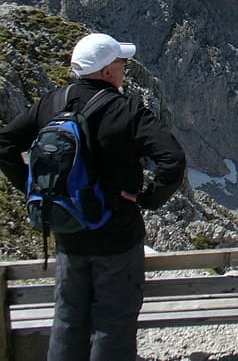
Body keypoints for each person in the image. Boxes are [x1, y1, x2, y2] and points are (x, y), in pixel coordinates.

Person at [0, 32, 187, 360]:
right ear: (106, 71)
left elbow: (4, 144)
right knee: (113, 322)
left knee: (68, 317)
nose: (124, 68)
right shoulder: (127, 110)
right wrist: (147, 199)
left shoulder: (51, 103)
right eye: (120, 62)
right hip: (117, 236)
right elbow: (172, 158)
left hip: (68, 234)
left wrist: (36, 190)